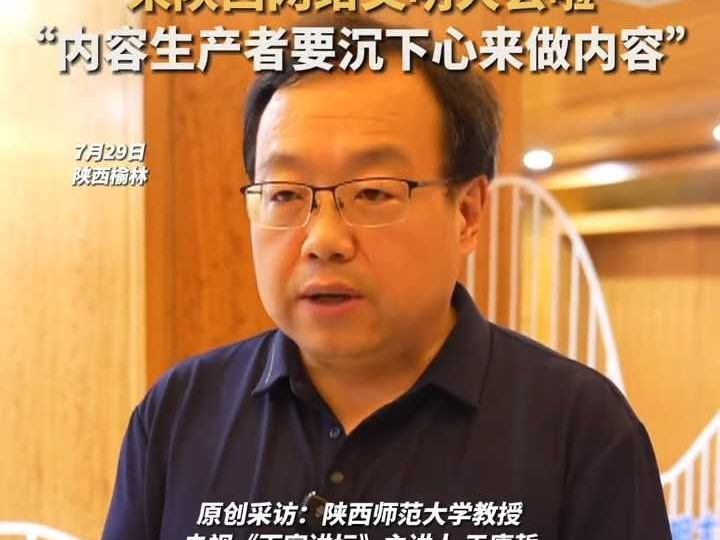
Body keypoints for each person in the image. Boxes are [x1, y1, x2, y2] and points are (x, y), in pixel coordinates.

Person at [102, 13, 672, 540]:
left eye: (373, 192)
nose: (324, 240)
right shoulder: (178, 413)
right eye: (285, 194)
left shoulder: (582, 431)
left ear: (467, 213)